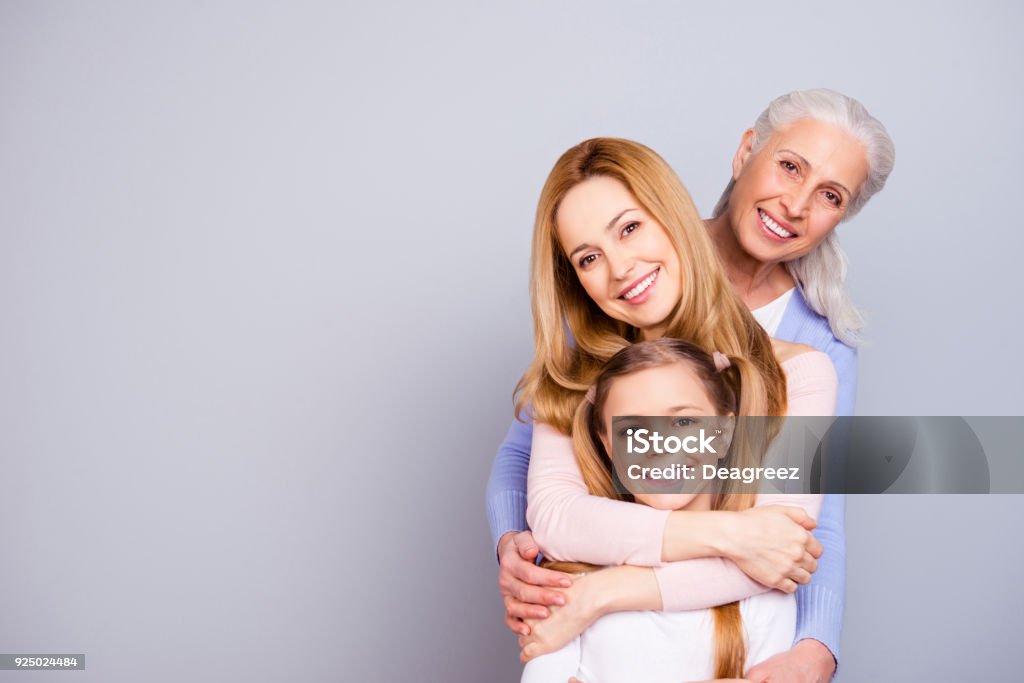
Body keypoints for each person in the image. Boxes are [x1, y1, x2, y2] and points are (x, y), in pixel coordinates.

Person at [491, 91, 893, 680]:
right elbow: (551, 512)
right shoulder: (580, 368)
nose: (621, 267)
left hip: (737, 644)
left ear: (669, 216)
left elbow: (795, 543)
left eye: (630, 228)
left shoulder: (804, 366)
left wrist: (600, 591)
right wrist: (731, 533)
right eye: (587, 257)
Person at [520, 339, 823, 683]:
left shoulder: (763, 589)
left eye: (683, 423)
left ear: (725, 434)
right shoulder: (566, 589)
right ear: (606, 444)